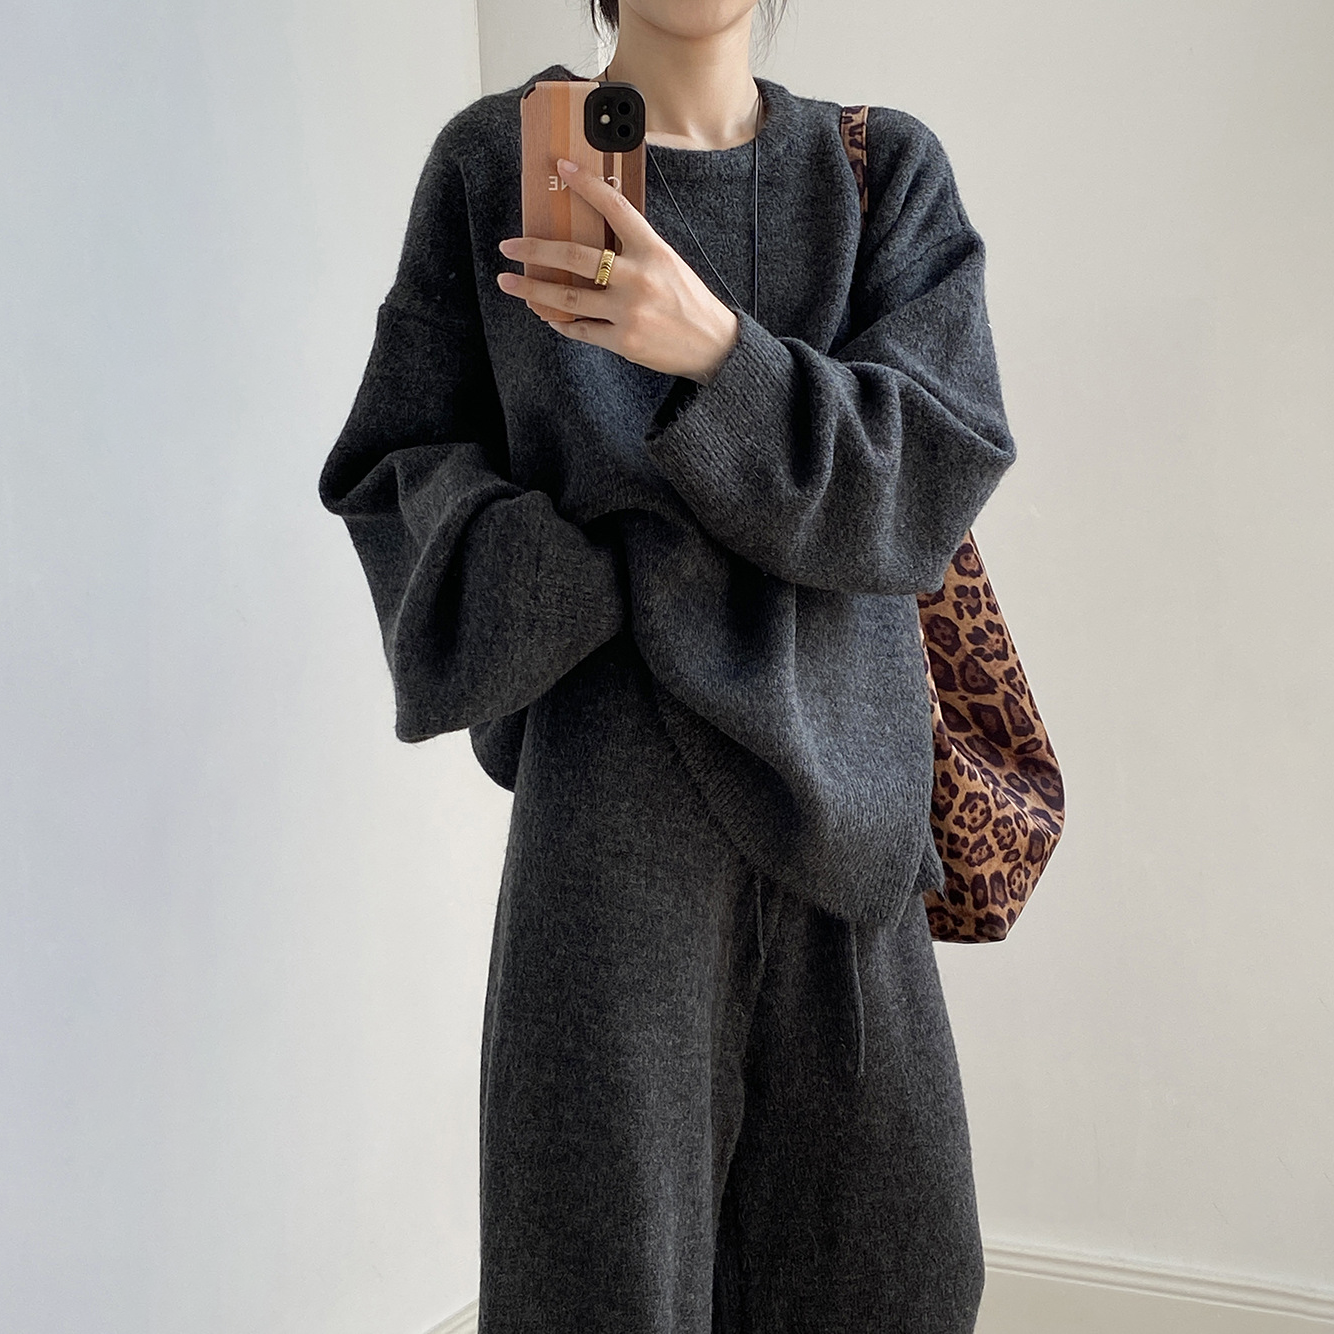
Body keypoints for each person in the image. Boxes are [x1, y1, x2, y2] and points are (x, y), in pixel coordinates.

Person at [317, 0, 1018, 1329]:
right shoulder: (495, 164)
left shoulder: (880, 173)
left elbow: (930, 471)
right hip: (610, 828)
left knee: (896, 1275)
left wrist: (714, 352)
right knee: (603, 1286)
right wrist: (596, 575)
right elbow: (393, 475)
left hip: (848, 829)